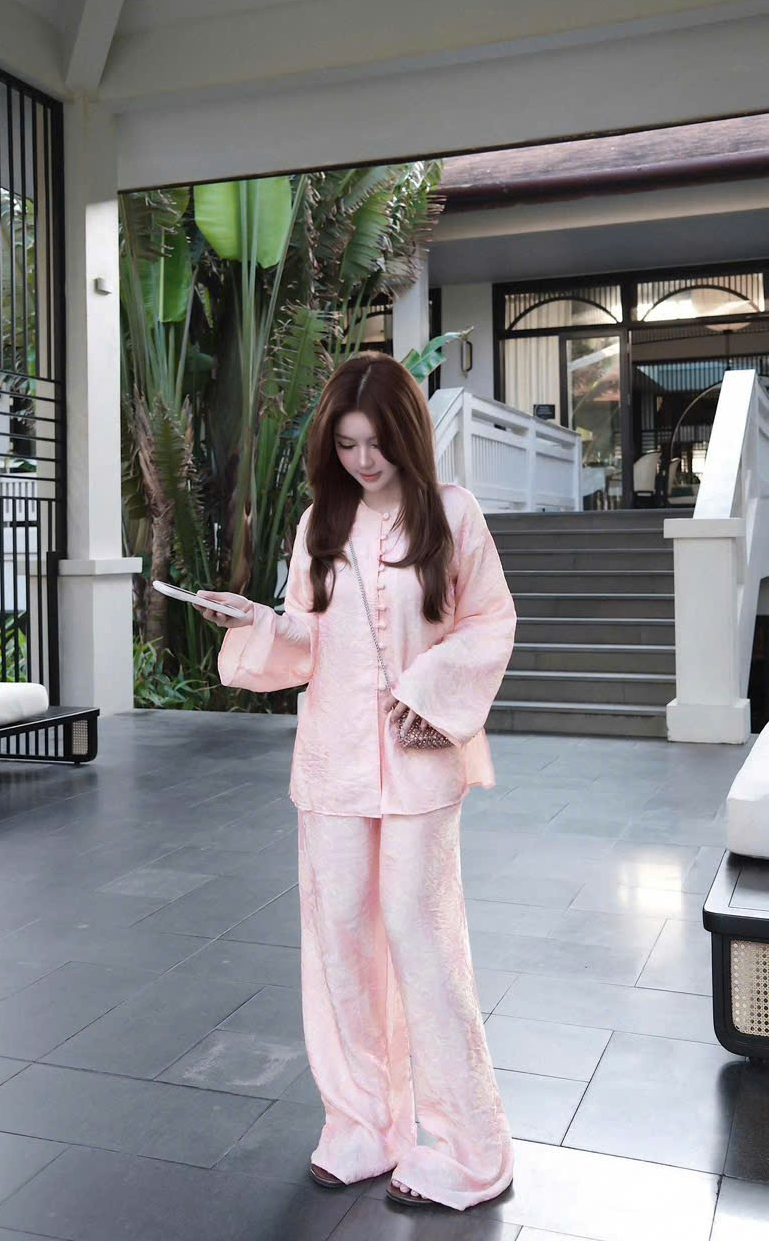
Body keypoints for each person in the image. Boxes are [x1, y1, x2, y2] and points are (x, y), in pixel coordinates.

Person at [193, 350, 517, 1212]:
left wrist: (430, 691)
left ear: (406, 435)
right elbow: (309, 639)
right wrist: (258, 622)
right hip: (332, 764)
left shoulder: (453, 514)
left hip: (419, 761)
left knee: (420, 938)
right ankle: (364, 1124)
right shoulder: (320, 524)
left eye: (376, 442)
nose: (363, 460)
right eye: (346, 444)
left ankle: (472, 1150)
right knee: (338, 941)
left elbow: (490, 621)